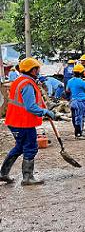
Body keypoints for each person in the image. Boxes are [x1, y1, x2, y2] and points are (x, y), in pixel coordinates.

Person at [0, 57, 56, 185]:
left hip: (14, 121)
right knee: (30, 147)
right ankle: (28, 178)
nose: (39, 71)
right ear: (33, 70)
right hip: (23, 122)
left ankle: (3, 174)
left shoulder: (19, 81)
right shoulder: (27, 84)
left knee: (20, 147)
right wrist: (44, 112)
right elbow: (30, 106)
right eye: (37, 68)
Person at [66, 64, 85, 139]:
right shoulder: (81, 82)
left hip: (73, 101)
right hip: (81, 101)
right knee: (80, 117)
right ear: (81, 73)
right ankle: (79, 134)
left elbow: (67, 90)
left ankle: (77, 132)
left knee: (74, 117)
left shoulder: (70, 81)